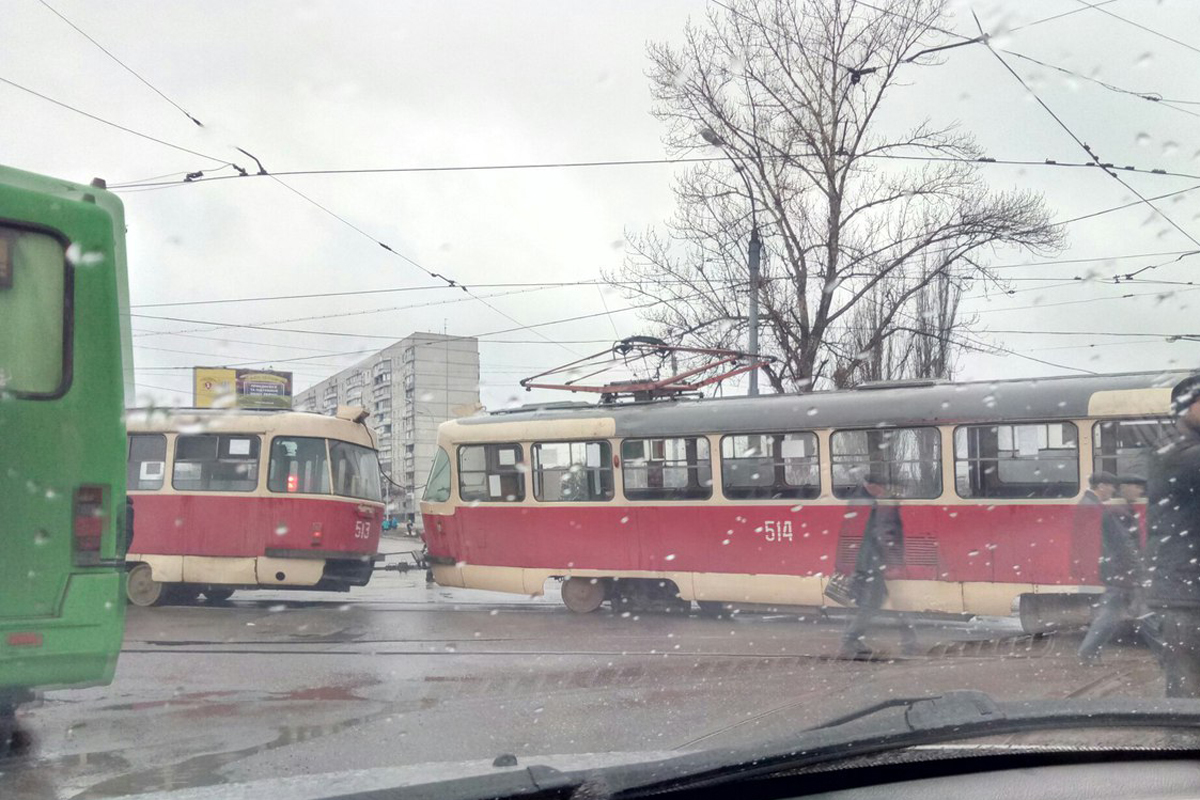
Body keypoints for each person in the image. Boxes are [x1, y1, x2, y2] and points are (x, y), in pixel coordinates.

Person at [1145, 373, 1200, 697]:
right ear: (1185, 408)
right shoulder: (1176, 452)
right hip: (1185, 595)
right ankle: (1180, 747)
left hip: (1188, 591)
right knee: (1187, 692)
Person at [1077, 475, 1164, 665]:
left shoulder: (1114, 509)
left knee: (1112, 614)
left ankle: (1088, 651)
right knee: (1143, 614)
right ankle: (1167, 656)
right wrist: (1138, 572)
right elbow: (1124, 545)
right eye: (1137, 487)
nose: (1141, 492)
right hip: (1122, 573)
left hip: (1118, 572)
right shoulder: (1114, 511)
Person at [838, 476, 919, 659]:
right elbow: (885, 535)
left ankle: (909, 642)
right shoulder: (885, 504)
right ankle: (851, 639)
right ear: (875, 485)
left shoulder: (877, 503)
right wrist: (892, 563)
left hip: (872, 561)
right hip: (876, 563)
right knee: (879, 603)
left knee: (885, 603)